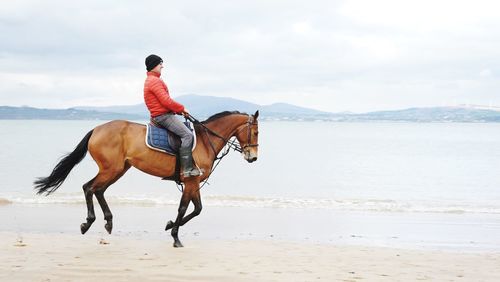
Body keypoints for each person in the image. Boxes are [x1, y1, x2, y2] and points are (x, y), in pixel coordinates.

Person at [143, 54, 201, 178]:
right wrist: (182, 108)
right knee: (187, 135)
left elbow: (164, 102)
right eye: (160, 64)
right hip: (163, 116)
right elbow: (166, 101)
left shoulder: (153, 80)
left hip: (163, 114)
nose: (162, 66)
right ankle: (187, 169)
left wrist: (179, 112)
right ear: (153, 65)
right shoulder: (154, 81)